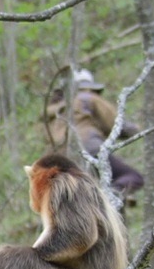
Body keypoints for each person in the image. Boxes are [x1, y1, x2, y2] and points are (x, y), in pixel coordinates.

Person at [44, 69, 144, 197]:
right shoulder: (87, 98)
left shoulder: (53, 112)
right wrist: (138, 129)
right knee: (133, 177)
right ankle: (110, 196)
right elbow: (116, 124)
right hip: (89, 148)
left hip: (59, 160)